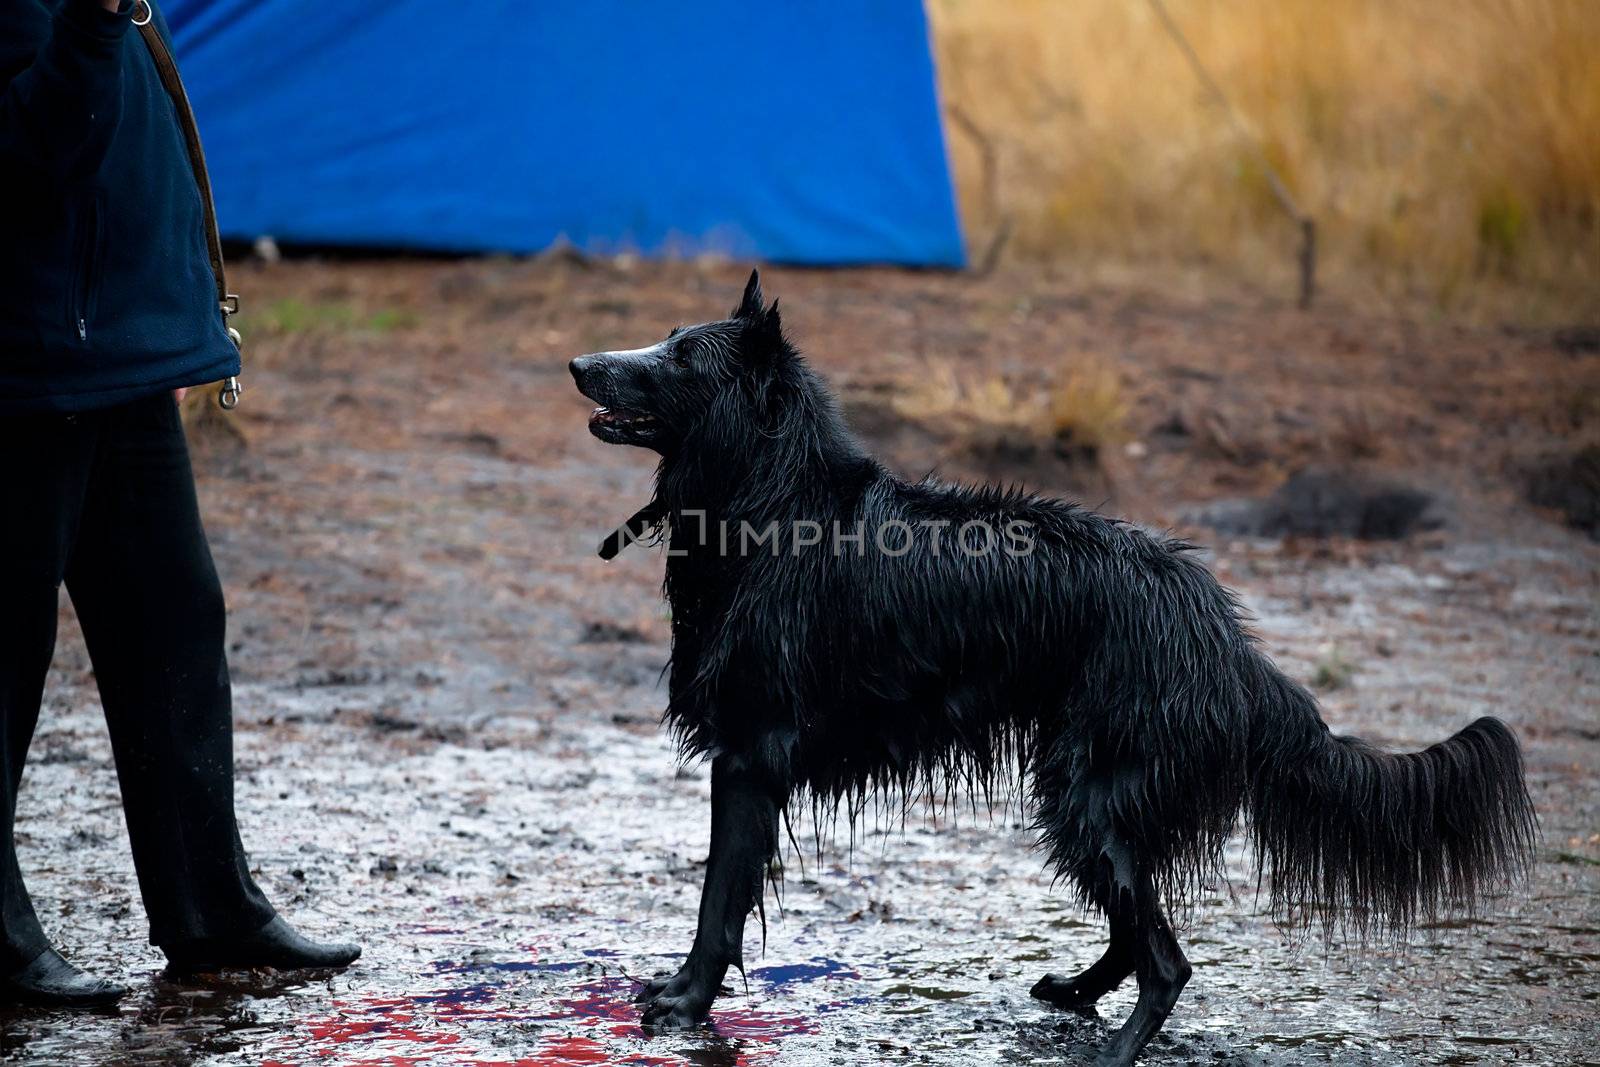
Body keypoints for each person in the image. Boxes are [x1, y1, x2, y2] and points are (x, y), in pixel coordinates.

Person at [0, 0, 359, 1005]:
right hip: (23, 374)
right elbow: (32, 158)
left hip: (118, 356)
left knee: (174, 626)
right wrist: (89, 23)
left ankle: (209, 906)